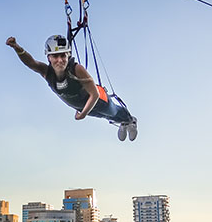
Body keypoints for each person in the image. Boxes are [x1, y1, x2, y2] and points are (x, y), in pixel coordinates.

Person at [7, 34, 137, 141]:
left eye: (63, 55)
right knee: (105, 117)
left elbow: (95, 94)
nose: (60, 60)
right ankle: (123, 123)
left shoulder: (76, 69)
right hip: (83, 108)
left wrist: (82, 114)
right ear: (48, 57)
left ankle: (130, 121)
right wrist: (16, 47)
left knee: (112, 112)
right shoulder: (47, 73)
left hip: (98, 100)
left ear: (68, 55)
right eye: (55, 56)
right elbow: (31, 63)